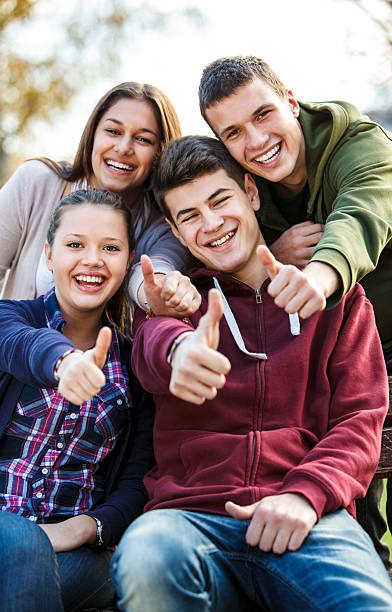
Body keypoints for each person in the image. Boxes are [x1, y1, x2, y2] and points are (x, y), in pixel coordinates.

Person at [110, 136, 392, 612]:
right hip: (188, 519)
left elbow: (361, 420)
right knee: (146, 559)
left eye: (220, 201)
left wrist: (306, 495)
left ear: (252, 193)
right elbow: (153, 349)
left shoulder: (337, 299)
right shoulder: (175, 307)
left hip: (307, 515)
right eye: (190, 216)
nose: (212, 224)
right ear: (177, 236)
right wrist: (180, 350)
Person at [198, 55, 392, 567]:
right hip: (320, 357)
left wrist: (319, 278)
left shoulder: (359, 143)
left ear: (289, 101)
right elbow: (199, 223)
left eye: (263, 115)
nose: (256, 141)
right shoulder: (242, 182)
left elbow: (361, 214)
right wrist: (271, 259)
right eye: (234, 132)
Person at [0, 188, 154, 612]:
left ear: (127, 262)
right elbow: (21, 345)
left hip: (73, 548)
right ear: (48, 254)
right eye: (75, 245)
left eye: (110, 248)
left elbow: (136, 485)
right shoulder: (4, 319)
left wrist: (83, 529)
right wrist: (63, 363)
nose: (92, 259)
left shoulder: (135, 367)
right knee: (21, 544)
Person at [0, 81, 199, 319]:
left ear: (160, 152)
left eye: (143, 140)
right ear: (93, 134)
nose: (123, 147)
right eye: (113, 131)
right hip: (15, 351)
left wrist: (158, 290)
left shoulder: (164, 225)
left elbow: (154, 271)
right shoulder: (36, 183)